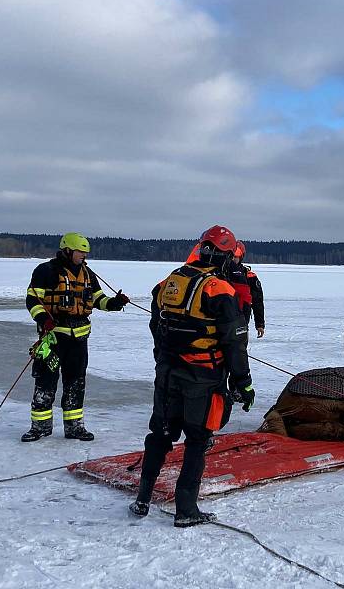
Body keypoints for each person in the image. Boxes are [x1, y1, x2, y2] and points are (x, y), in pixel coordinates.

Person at [129, 225, 254, 528]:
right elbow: (235, 343)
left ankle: (142, 498)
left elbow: (156, 327)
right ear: (224, 256)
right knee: (198, 439)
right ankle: (186, 509)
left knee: (160, 432)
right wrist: (243, 383)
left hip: (167, 373)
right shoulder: (218, 290)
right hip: (202, 377)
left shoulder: (168, 282)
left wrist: (164, 360)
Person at [22, 233, 129, 442]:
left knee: (76, 383)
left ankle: (74, 427)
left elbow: (98, 299)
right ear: (67, 251)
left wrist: (115, 303)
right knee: (45, 382)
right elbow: (33, 299)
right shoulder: (46, 271)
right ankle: (40, 427)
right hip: (53, 339)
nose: (83, 255)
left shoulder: (88, 274)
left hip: (78, 340)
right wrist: (44, 319)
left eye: (85, 252)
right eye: (80, 251)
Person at [226, 240, 265, 342]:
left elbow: (257, 301)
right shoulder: (220, 274)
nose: (233, 260)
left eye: (236, 257)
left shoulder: (250, 277)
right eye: (231, 257)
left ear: (241, 257)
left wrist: (259, 324)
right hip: (222, 320)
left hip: (241, 321)